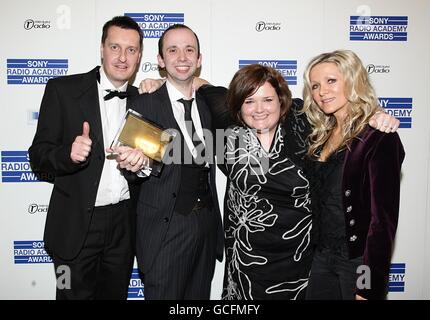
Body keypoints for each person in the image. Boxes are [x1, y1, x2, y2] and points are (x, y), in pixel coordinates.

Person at [139, 64, 399, 300]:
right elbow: (199, 85)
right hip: (244, 268)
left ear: (282, 101)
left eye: (268, 99)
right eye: (249, 101)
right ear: (238, 107)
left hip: (299, 265)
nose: (259, 109)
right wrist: (157, 83)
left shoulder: (304, 122)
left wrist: (376, 113)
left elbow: (343, 108)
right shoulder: (229, 131)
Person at [28, 16, 143, 299]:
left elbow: (159, 159)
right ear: (102, 48)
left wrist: (143, 164)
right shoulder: (63, 91)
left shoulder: (145, 99)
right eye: (115, 47)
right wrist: (68, 154)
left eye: (131, 50)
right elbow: (38, 156)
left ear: (140, 56)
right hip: (74, 227)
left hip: (123, 228)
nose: (122, 57)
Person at [114, 24, 224, 300]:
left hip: (206, 229)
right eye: (172, 50)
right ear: (161, 61)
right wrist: (136, 165)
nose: (182, 57)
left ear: (199, 59)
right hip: (165, 231)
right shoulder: (146, 103)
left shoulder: (209, 104)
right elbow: (133, 170)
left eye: (190, 50)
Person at [301, 50, 405, 300]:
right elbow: (272, 103)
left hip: (357, 262)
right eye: (315, 85)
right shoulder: (319, 135)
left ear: (353, 80)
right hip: (321, 258)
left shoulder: (378, 136)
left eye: (331, 81)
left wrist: (368, 286)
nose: (322, 91)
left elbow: (383, 221)